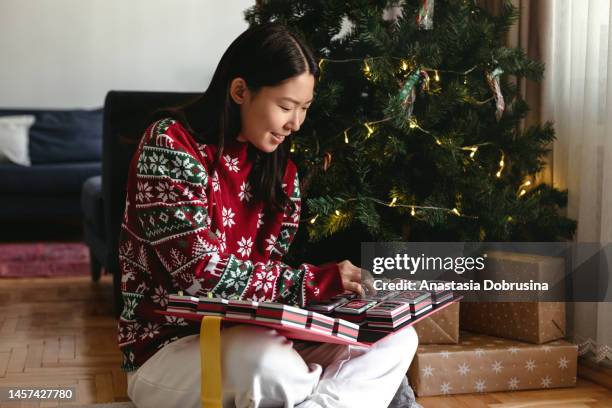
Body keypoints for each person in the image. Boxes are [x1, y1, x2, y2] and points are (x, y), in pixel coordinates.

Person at [118, 23, 418, 408]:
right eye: (286, 106)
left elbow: (263, 284)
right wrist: (317, 282)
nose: (296, 124)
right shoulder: (171, 146)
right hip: (170, 350)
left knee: (398, 338)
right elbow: (201, 276)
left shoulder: (281, 174)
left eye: (304, 109)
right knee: (268, 364)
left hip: (254, 335)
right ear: (240, 91)